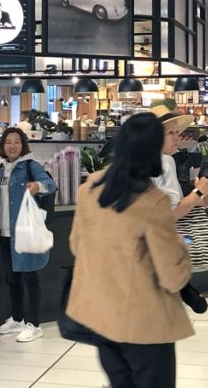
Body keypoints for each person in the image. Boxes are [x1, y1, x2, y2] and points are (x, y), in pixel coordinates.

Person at [68, 113, 193, 388]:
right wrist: (182, 247)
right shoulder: (152, 202)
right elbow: (172, 276)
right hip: (143, 323)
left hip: (100, 315)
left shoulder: (90, 188)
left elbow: (77, 245)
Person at [0, 128, 58, 343]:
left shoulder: (30, 166)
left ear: (23, 145)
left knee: (30, 278)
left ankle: (34, 324)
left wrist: (38, 185)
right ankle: (18, 319)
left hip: (24, 232)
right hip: (4, 232)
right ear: (2, 146)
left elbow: (51, 185)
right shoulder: (2, 169)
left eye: (16, 142)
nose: (12, 146)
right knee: (13, 279)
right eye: (8, 142)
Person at [150, 106, 208, 273]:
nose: (177, 139)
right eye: (171, 133)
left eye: (177, 133)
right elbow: (171, 213)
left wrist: (202, 197)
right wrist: (199, 191)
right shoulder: (163, 162)